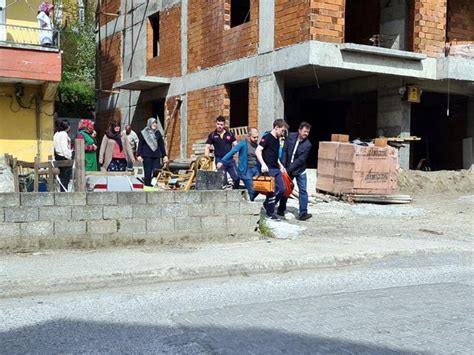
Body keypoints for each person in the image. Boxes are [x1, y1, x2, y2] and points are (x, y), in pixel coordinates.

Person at [277, 122, 313, 221]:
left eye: (308, 132)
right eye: (305, 131)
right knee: (285, 189)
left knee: (303, 191)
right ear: (299, 130)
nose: (306, 134)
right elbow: (284, 150)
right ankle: (281, 209)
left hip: (300, 170)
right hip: (287, 167)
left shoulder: (307, 145)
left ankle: (303, 213)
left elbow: (300, 160)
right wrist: (283, 166)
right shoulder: (291, 137)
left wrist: (288, 170)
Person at [255, 119, 289, 220]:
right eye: (282, 130)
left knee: (282, 189)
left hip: (276, 168)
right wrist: (263, 164)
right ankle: (270, 213)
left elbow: (274, 154)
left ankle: (267, 204)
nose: (283, 133)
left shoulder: (277, 139)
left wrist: (281, 165)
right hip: (268, 168)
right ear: (276, 127)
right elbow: (258, 151)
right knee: (271, 191)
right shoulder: (267, 137)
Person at [217, 128, 260, 201]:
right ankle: (250, 204)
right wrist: (222, 161)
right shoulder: (243, 144)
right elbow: (232, 152)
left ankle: (247, 199)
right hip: (246, 170)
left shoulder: (256, 145)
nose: (256, 139)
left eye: (257, 137)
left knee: (259, 188)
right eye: (254, 137)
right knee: (252, 189)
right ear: (249, 136)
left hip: (256, 169)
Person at [204, 116, 239, 189]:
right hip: (219, 160)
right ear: (216, 124)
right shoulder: (212, 135)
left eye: (221, 124)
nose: (219, 126)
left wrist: (241, 154)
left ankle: (235, 191)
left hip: (230, 160)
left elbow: (236, 146)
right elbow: (207, 147)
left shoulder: (230, 133)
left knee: (237, 177)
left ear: (224, 125)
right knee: (223, 180)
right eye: (218, 124)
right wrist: (206, 157)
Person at [136, 118, 168, 186]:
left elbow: (161, 145)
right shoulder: (143, 133)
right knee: (148, 173)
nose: (154, 124)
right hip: (147, 155)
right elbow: (140, 144)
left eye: (155, 123)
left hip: (156, 155)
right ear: (149, 123)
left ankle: (153, 185)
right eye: (153, 123)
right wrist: (138, 155)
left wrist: (164, 155)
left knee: (156, 171)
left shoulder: (157, 133)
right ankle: (147, 187)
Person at [53, 119, 73, 192]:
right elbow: (64, 147)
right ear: (67, 126)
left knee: (61, 176)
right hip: (64, 156)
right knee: (65, 177)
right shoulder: (64, 134)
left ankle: (62, 190)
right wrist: (68, 156)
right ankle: (64, 191)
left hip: (58, 156)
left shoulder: (56, 134)